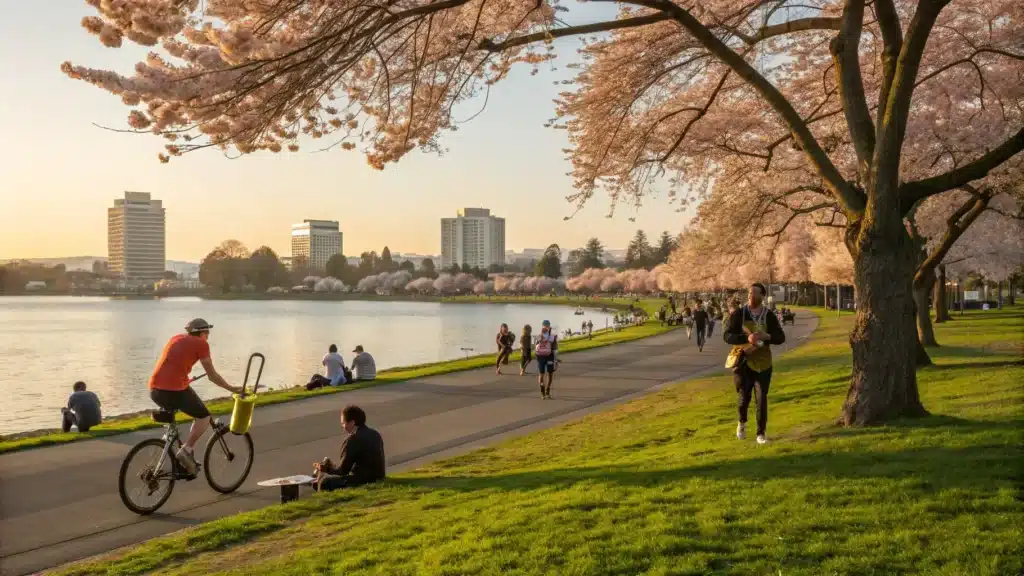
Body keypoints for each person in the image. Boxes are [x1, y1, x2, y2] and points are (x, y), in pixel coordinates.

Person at [149, 318, 241, 474]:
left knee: (178, 416)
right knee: (204, 416)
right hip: (174, 390)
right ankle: (186, 450)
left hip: (155, 389)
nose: (208, 336)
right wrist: (231, 388)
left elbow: (172, 364)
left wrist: (183, 379)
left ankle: (172, 449)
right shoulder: (202, 344)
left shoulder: (175, 338)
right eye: (207, 333)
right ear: (203, 333)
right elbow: (212, 376)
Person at [723, 283, 786, 445]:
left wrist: (767, 337)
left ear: (762, 296)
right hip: (743, 363)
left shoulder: (769, 315)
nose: (750, 295)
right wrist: (746, 339)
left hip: (764, 363)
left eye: (754, 293)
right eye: (749, 293)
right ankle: (742, 423)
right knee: (744, 398)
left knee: (761, 398)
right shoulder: (739, 314)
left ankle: (761, 434)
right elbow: (727, 336)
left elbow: (780, 337)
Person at [312, 405, 386, 491]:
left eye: (343, 423)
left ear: (352, 422)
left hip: (364, 480)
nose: (343, 427)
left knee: (324, 482)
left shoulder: (352, 439)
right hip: (378, 476)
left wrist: (326, 469)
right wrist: (333, 468)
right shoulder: (375, 433)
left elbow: (343, 471)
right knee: (324, 480)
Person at [535, 320, 558, 399]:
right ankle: (547, 390)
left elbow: (535, 347)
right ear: (549, 326)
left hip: (540, 356)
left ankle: (542, 392)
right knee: (550, 373)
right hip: (550, 356)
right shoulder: (552, 336)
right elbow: (555, 349)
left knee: (541, 374)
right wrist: (556, 360)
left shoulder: (538, 336)